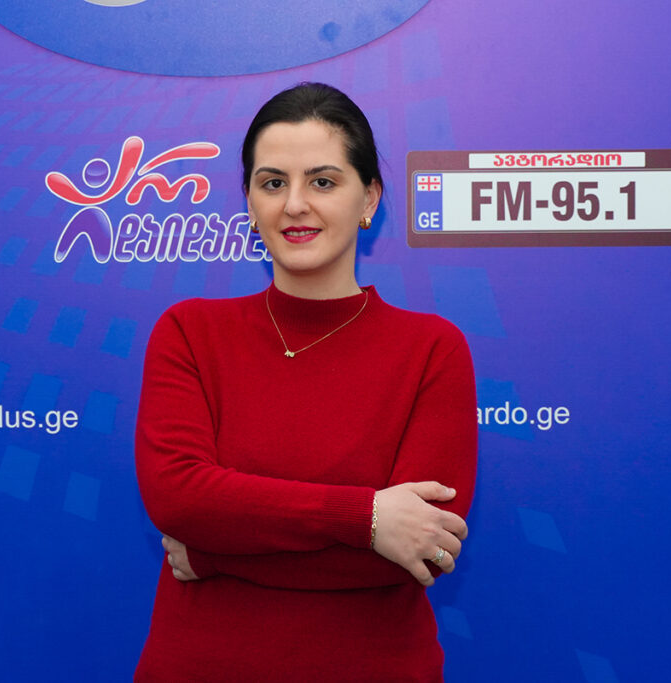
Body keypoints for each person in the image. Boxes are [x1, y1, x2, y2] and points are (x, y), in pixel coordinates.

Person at [134, 82, 477, 682]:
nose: (294, 205)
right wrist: (364, 518)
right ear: (248, 201)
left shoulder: (432, 349)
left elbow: (419, 550)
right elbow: (178, 499)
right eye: (273, 183)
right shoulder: (189, 331)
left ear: (369, 198)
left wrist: (212, 554)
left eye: (322, 181)